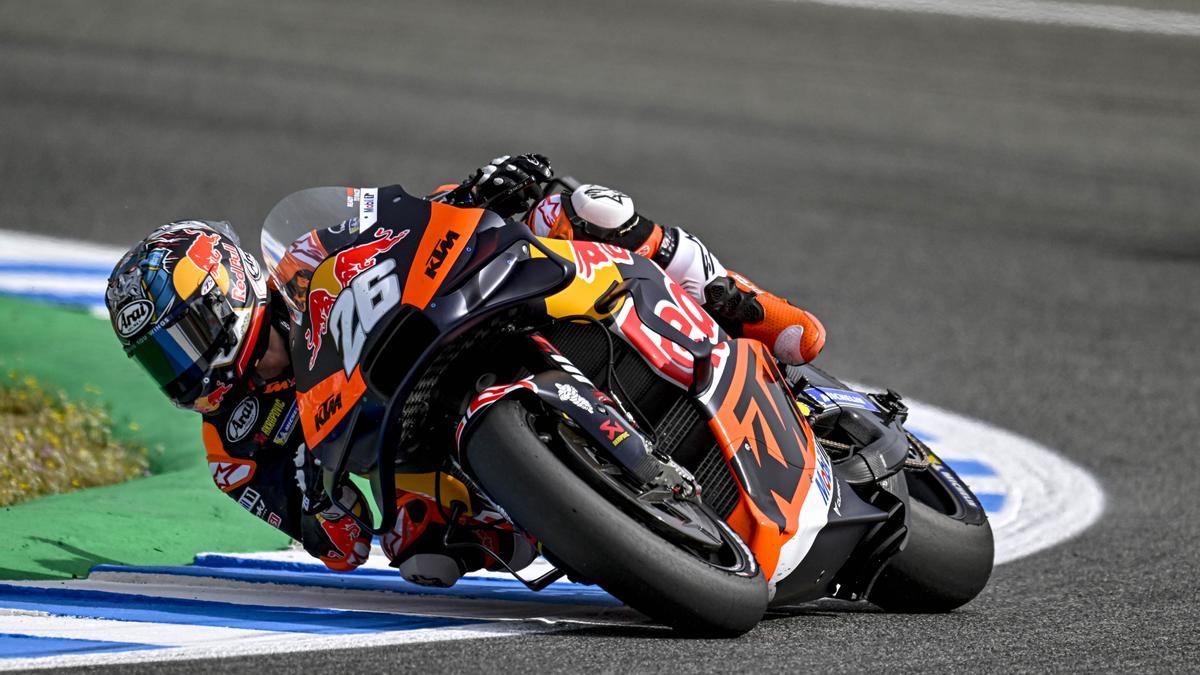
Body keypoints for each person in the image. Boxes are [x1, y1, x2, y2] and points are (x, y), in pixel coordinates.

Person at [103, 154, 826, 587]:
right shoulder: (232, 449)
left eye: (185, 336)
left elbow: (407, 217)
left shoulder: (307, 256)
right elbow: (343, 548)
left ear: (228, 285)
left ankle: (749, 305)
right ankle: (597, 525)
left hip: (446, 320)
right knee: (419, 552)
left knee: (581, 206)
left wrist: (480, 186)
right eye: (161, 358)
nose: (185, 365)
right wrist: (313, 497)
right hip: (410, 440)